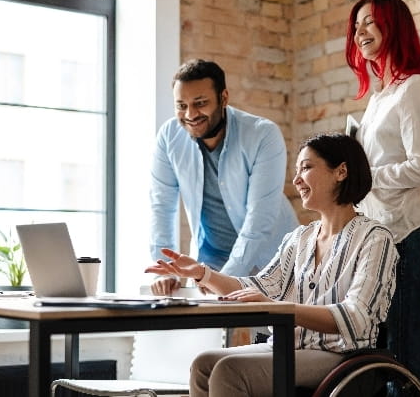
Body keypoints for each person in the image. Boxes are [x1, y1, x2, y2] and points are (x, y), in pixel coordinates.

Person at [146, 133, 398, 397]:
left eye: (307, 167)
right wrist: (202, 273)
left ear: (341, 171)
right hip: (290, 345)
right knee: (204, 364)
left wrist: (281, 308)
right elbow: (257, 287)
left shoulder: (374, 238)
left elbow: (356, 317)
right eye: (297, 170)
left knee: (229, 371)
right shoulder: (299, 238)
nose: (296, 179)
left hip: (340, 355)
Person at [345, 0, 420, 392]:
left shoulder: (415, 88)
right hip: (380, 239)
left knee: (403, 364)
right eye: (356, 26)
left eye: (370, 22)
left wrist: (365, 176)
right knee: (381, 361)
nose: (360, 32)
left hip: (409, 239)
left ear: (395, 26)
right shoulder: (379, 98)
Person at [149, 58, 298, 295]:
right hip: (211, 261)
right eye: (181, 105)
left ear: (224, 98)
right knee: (204, 331)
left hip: (270, 260)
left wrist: (221, 281)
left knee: (268, 333)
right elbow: (162, 206)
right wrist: (166, 269)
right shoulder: (169, 136)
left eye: (200, 103)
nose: (190, 114)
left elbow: (259, 221)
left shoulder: (263, 134)